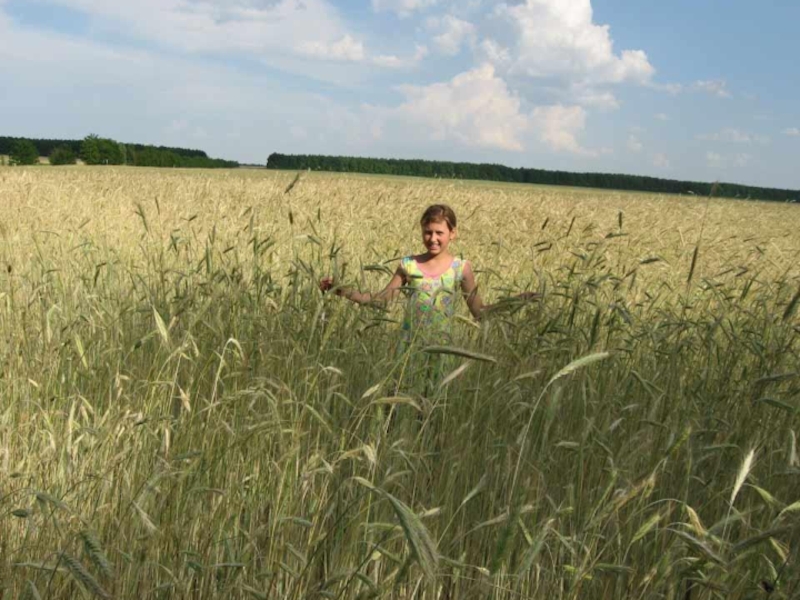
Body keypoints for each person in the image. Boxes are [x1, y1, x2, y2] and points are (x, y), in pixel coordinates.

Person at [319, 203, 538, 346]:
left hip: (443, 350)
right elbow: (379, 301)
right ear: (422, 231)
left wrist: (515, 302)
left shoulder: (461, 268)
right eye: (428, 232)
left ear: (453, 234)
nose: (433, 238)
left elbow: (479, 312)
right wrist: (342, 290)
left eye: (439, 233)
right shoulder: (409, 265)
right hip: (407, 349)